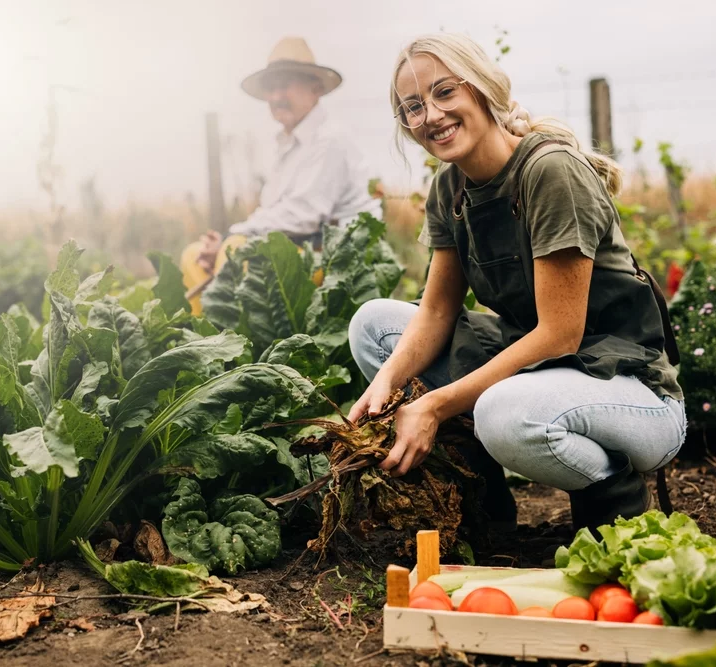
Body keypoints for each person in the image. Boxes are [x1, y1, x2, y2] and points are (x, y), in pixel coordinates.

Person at [346, 33, 686, 533]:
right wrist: (385, 387)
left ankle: (617, 503)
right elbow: (437, 312)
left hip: (631, 390)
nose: (432, 116)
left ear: (481, 88)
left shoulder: (548, 171)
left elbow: (559, 335)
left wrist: (433, 406)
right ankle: (483, 503)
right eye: (413, 107)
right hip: (545, 373)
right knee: (373, 326)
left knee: (503, 416)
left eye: (444, 93)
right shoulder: (451, 187)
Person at [180, 37, 382, 314]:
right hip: (296, 248)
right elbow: (273, 213)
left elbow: (302, 215)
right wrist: (227, 241)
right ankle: (209, 343)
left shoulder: (330, 140)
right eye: (271, 88)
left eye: (285, 85)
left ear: (315, 88)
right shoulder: (285, 144)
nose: (275, 97)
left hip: (334, 260)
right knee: (193, 256)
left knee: (237, 253)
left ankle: (238, 340)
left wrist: (231, 236)